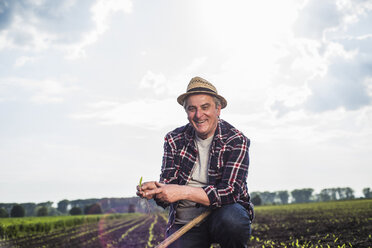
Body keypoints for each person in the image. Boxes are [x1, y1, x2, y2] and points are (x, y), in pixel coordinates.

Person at [137, 76, 254, 248]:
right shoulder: (174, 139)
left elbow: (230, 192)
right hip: (185, 223)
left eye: (205, 107)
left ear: (218, 109)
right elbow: (168, 191)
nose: (199, 115)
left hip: (221, 216)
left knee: (232, 221)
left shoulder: (236, 140)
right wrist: (157, 190)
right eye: (192, 109)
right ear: (186, 112)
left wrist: (184, 192)